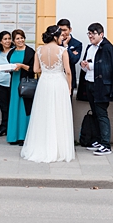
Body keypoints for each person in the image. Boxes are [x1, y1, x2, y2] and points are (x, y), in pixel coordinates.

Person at [21, 25, 75, 163]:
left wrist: (47, 70)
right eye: (60, 36)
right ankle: (59, 148)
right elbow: (68, 71)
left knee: (43, 113)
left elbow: (36, 69)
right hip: (58, 83)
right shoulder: (62, 51)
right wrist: (69, 86)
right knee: (59, 113)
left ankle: (41, 145)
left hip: (44, 83)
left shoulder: (39, 50)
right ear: (56, 37)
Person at [79, 22, 113, 156]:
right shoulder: (90, 47)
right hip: (90, 83)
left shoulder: (107, 48)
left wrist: (90, 66)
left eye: (93, 33)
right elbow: (88, 64)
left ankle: (106, 144)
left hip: (102, 86)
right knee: (95, 113)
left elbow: (111, 68)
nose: (90, 36)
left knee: (102, 114)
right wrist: (84, 65)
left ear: (101, 34)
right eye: (89, 33)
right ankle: (98, 140)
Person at [6, 29, 35, 146]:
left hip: (25, 83)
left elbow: (34, 69)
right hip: (14, 83)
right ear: (13, 41)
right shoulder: (11, 52)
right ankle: (13, 136)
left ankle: (23, 137)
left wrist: (22, 66)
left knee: (24, 108)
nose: (20, 40)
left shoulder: (30, 52)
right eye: (17, 38)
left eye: (22, 38)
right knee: (14, 107)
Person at [0, 30, 13, 137]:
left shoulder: (14, 51)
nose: (8, 41)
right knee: (3, 106)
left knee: (12, 106)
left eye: (9, 38)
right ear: (1, 41)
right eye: (5, 39)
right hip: (1, 82)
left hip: (12, 82)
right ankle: (3, 127)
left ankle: (11, 128)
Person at [57, 19, 83, 92]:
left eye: (65, 30)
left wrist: (66, 46)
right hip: (55, 78)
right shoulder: (55, 42)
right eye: (60, 30)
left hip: (69, 78)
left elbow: (74, 60)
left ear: (70, 29)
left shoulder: (77, 43)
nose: (63, 33)